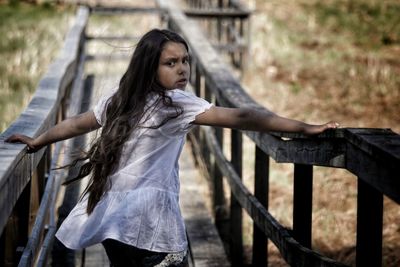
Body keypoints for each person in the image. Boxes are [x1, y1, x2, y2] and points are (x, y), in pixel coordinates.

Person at [6, 29, 339, 267]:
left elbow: (79, 122)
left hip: (112, 222)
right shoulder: (176, 106)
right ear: (150, 66)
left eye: (185, 61)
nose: (182, 69)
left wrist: (39, 140)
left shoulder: (121, 100)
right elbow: (243, 116)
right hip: (150, 223)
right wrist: (304, 127)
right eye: (171, 63)